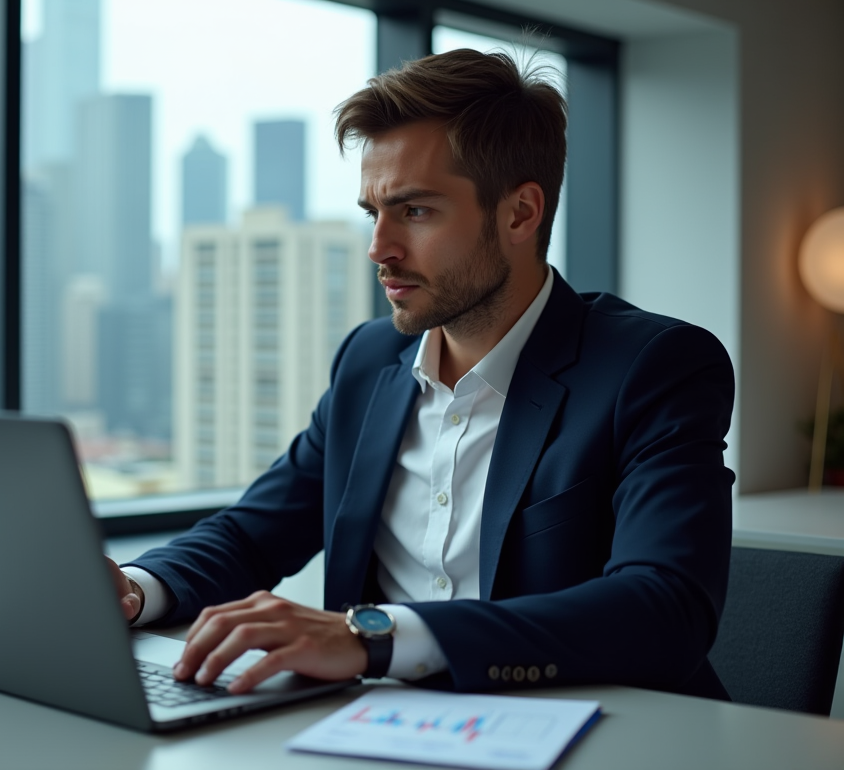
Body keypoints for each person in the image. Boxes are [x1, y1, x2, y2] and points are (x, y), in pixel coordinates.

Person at [107, 48, 735, 700]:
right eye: (372, 213)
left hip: (602, 729)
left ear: (520, 213)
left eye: (415, 211)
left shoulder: (654, 368)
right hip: (380, 724)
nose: (379, 248)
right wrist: (132, 589)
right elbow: (253, 534)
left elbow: (667, 608)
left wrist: (375, 638)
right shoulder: (369, 361)